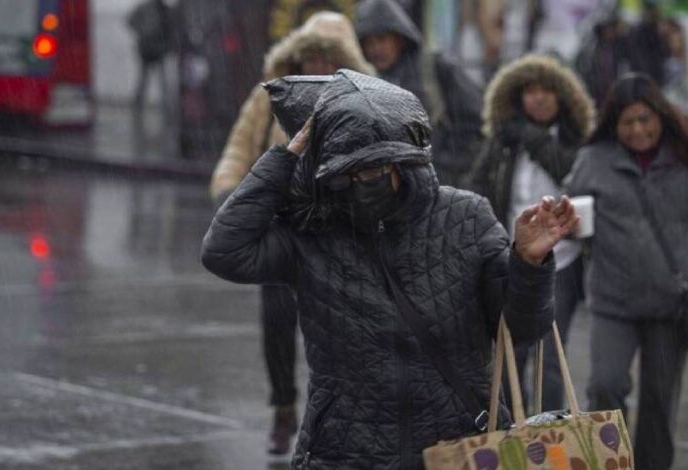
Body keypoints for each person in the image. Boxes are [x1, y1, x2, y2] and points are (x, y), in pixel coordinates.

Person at [201, 70, 579, 468]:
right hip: (343, 450)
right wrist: (286, 156)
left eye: (373, 169)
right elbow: (224, 250)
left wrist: (528, 263)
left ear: (402, 159)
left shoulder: (466, 217)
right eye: (348, 173)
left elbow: (524, 328)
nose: (362, 182)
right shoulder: (314, 231)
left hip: (455, 448)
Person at [208, 12, 374, 456]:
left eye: (326, 57)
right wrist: (230, 192)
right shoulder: (270, 95)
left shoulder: (361, 100)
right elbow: (240, 145)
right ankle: (283, 406)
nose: (316, 66)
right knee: (277, 321)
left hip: (338, 229)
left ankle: (340, 415)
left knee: (343, 326)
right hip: (282, 223)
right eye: (309, 56)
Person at [565, 74, 688, 470]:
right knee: (604, 388)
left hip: (670, 305)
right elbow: (569, 210)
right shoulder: (594, 160)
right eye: (628, 122)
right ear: (614, 124)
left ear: (661, 116)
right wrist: (573, 224)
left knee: (660, 406)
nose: (638, 130)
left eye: (645, 119)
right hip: (612, 302)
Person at [466, 54, 595, 413]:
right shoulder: (504, 141)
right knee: (510, 354)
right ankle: (514, 433)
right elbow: (478, 188)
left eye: (547, 91)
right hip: (511, 258)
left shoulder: (575, 142)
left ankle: (551, 433)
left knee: (552, 358)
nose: (538, 98)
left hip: (562, 261)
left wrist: (534, 139)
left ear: (562, 97)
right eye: (530, 91)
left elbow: (571, 174)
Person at [355, 0, 484, 187]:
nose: (376, 49)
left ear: (398, 38)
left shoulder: (435, 69)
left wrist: (445, 165)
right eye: (369, 42)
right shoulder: (361, 80)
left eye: (382, 39)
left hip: (441, 189)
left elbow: (476, 123)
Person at [575, 12, 632, 109]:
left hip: (613, 93)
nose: (610, 32)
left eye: (612, 29)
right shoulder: (591, 48)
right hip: (596, 94)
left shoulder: (618, 47)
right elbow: (584, 70)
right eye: (608, 29)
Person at [127, 0, 174, 111]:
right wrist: (143, 31)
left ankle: (165, 106)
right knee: (144, 79)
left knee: (162, 80)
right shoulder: (144, 8)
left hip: (159, 49)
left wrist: (168, 45)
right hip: (146, 49)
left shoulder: (166, 10)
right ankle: (138, 105)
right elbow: (130, 21)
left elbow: (171, 29)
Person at [627, 3, 671, 88]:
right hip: (643, 77)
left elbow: (665, 53)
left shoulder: (658, 30)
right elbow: (636, 55)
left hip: (655, 76)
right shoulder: (638, 31)